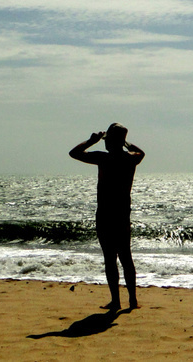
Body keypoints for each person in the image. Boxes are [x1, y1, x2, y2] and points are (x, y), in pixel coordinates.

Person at [70, 123, 145, 312]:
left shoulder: (103, 159)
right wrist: (127, 145)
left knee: (110, 259)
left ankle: (116, 301)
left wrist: (91, 141)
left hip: (105, 214)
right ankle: (132, 301)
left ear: (111, 141)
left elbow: (74, 153)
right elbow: (141, 153)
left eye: (106, 140)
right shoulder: (130, 159)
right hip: (122, 213)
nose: (104, 144)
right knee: (126, 257)